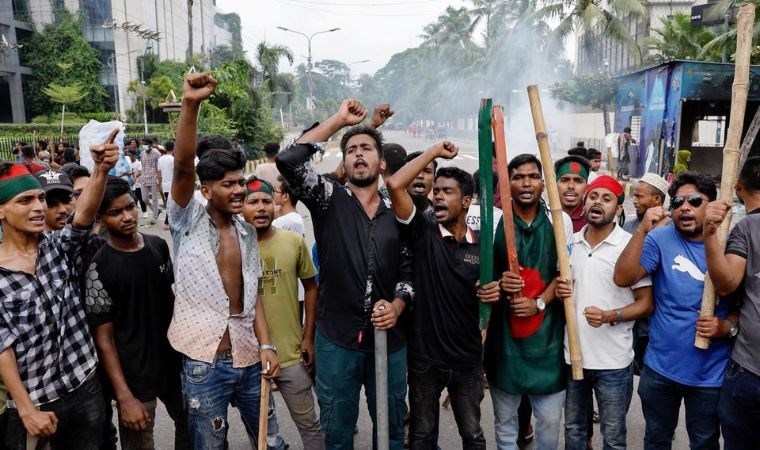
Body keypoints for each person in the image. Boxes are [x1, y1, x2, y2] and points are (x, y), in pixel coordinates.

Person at [277, 99, 414, 449]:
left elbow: (408, 269)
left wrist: (397, 306)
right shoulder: (327, 198)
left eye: (367, 148)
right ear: (344, 162)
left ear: (381, 163)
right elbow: (289, 161)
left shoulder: (397, 209)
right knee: (337, 432)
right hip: (336, 339)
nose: (358, 154)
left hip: (391, 341)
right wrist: (339, 120)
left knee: (393, 431)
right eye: (351, 150)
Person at [168, 72, 279, 449]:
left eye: (240, 183)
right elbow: (183, 167)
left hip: (250, 358)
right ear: (206, 190)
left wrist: (268, 346)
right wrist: (191, 104)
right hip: (205, 363)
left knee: (270, 442)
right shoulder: (187, 220)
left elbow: (254, 298)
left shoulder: (247, 232)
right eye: (228, 184)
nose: (238, 191)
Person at [0, 129, 119, 449]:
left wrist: (101, 170)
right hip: (37, 403)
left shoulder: (56, 247)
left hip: (84, 384)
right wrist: (26, 409)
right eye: (25, 201)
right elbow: (2, 348)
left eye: (40, 198)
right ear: (1, 211)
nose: (38, 207)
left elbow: (83, 215)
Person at [386, 141, 499, 449]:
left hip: (467, 361)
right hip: (425, 360)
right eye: (436, 191)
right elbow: (395, 184)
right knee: (421, 435)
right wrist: (434, 152)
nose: (437, 196)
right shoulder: (423, 231)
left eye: (447, 191)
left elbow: (493, 296)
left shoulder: (482, 248)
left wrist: (493, 292)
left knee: (473, 435)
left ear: (466, 201)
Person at [614, 172, 737, 449]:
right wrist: (643, 231)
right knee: (656, 439)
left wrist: (726, 326)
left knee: (704, 442)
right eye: (678, 201)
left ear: (711, 205)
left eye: (695, 201)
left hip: (710, 374)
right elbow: (623, 278)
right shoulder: (660, 239)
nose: (685, 207)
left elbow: (743, 303)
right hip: (660, 369)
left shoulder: (730, 241)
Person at [85, 177, 190, 450]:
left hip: (173, 363)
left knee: (191, 427)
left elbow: (169, 299)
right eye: (116, 212)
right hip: (134, 378)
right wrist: (124, 397)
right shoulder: (99, 268)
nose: (127, 216)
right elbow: (104, 338)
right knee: (139, 443)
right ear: (100, 218)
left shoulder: (158, 246)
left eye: (130, 207)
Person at [556, 175, 654, 450]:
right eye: (593, 197)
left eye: (607, 198)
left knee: (613, 437)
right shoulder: (570, 244)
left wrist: (611, 316)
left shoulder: (629, 246)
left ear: (619, 210)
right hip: (573, 357)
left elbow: (645, 302)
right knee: (574, 430)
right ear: (585, 202)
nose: (598, 203)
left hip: (613, 362)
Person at [486, 154, 573, 450]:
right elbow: (481, 279)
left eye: (533, 176)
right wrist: (498, 283)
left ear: (543, 182)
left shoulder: (561, 222)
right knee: (505, 423)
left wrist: (540, 302)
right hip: (505, 344)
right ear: (507, 183)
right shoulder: (494, 220)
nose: (526, 183)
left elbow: (564, 278)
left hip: (547, 344)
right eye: (518, 177)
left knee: (549, 423)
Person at [241, 177, 324, 450]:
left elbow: (311, 288)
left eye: (267, 201)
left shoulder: (292, 242)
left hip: (291, 353)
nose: (261, 208)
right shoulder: (232, 246)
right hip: (248, 358)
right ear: (241, 207)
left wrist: (308, 336)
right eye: (252, 202)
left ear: (276, 204)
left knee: (309, 424)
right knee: (261, 431)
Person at [702, 156, 760, 450]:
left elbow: (726, 283)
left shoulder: (748, 227)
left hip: (750, 370)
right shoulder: (747, 227)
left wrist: (710, 234)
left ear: (738, 188)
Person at [555, 155, 591, 232]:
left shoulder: (592, 220)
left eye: (578, 181)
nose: (571, 186)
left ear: (586, 189)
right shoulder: (544, 215)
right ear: (554, 186)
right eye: (564, 180)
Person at [140, 141, 161, 224]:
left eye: (145, 143)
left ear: (150, 144)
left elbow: (159, 167)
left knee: (155, 198)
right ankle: (156, 210)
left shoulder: (156, 153)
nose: (143, 145)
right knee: (144, 198)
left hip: (154, 177)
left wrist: (159, 178)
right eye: (142, 143)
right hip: (144, 178)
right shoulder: (142, 153)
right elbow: (142, 165)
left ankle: (154, 217)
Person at [157, 141, 175, 228]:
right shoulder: (173, 159)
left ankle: (168, 221)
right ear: (174, 148)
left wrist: (159, 184)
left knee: (169, 203)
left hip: (165, 184)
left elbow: (159, 174)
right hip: (173, 184)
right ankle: (167, 222)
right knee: (171, 204)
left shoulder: (160, 159)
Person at [127, 151, 148, 217]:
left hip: (138, 183)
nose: (129, 157)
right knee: (132, 199)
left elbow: (141, 171)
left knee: (141, 198)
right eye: (128, 155)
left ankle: (144, 212)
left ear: (134, 155)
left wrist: (135, 176)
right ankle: (134, 212)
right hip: (131, 183)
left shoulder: (138, 163)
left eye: (130, 155)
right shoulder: (128, 163)